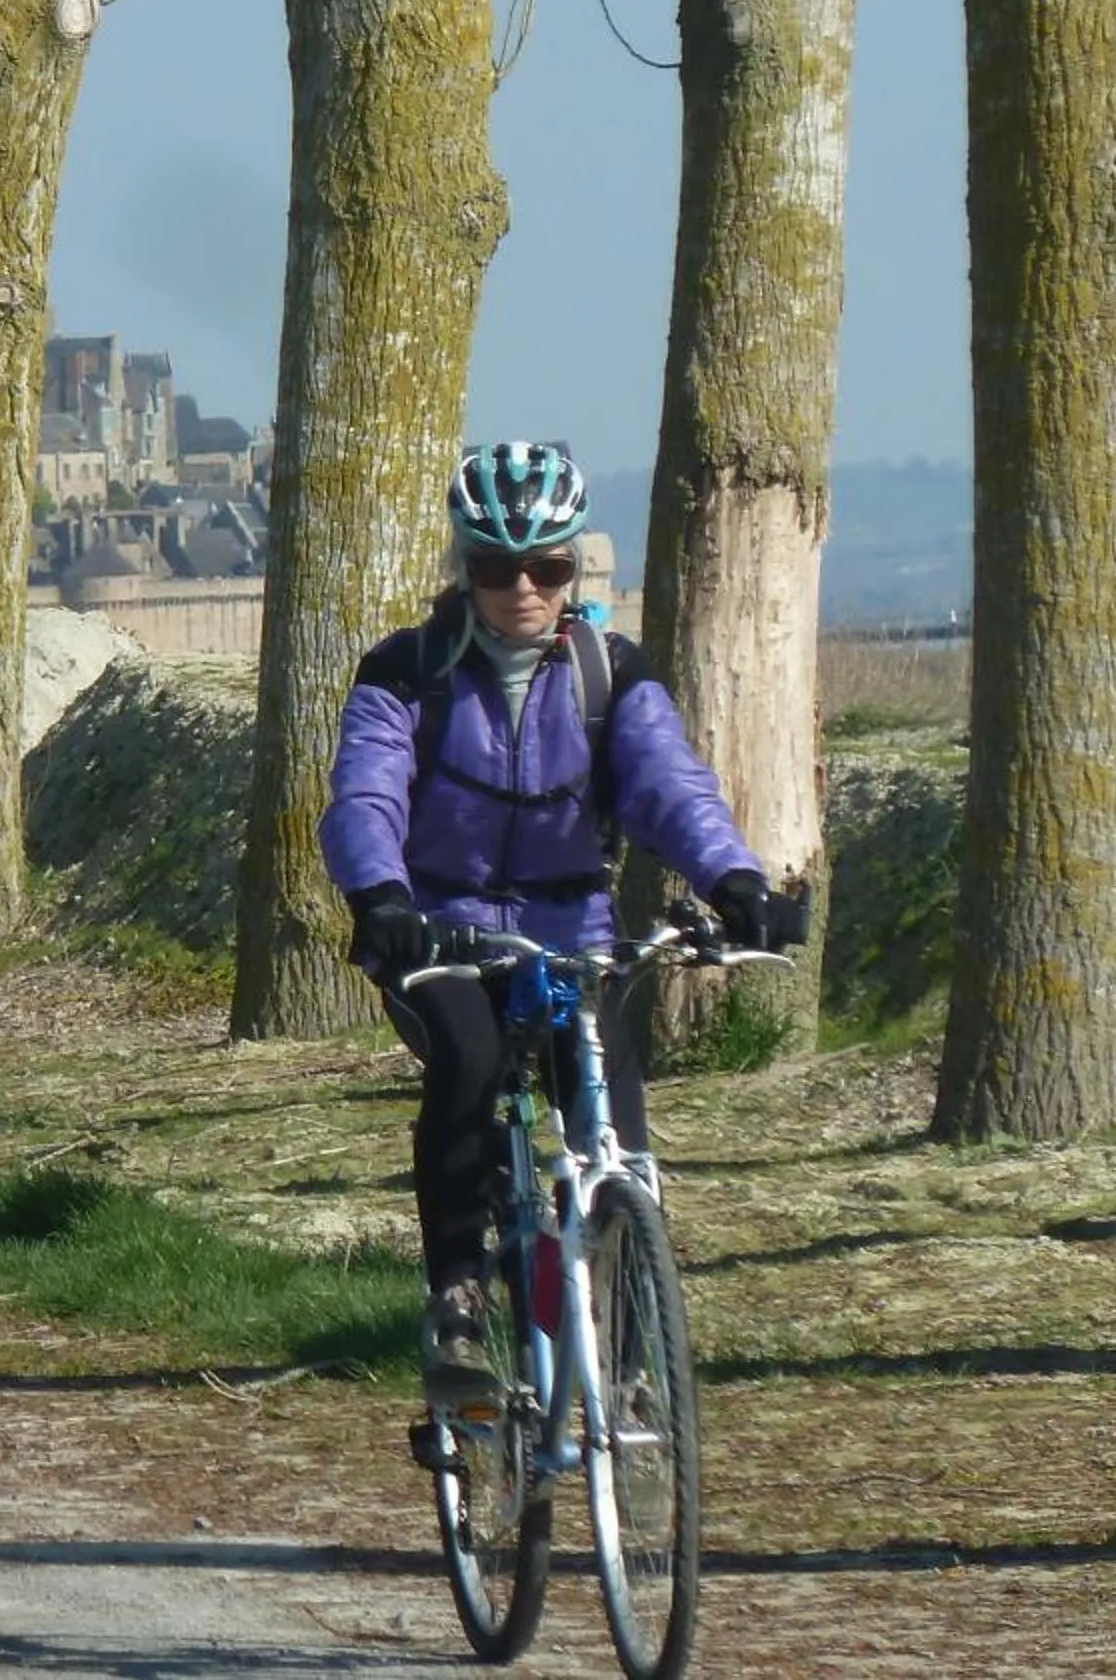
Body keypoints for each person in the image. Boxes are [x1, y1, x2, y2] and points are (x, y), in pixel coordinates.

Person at [318, 439, 777, 1396]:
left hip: (574, 927)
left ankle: (637, 1334)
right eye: (494, 567)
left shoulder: (609, 672)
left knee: (610, 1107)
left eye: (547, 567)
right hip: (441, 926)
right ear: (464, 567)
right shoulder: (405, 670)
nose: (522, 588)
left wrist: (733, 878)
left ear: (574, 567)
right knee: (470, 1061)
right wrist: (381, 897)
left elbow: (668, 786)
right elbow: (367, 794)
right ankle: (456, 1302)